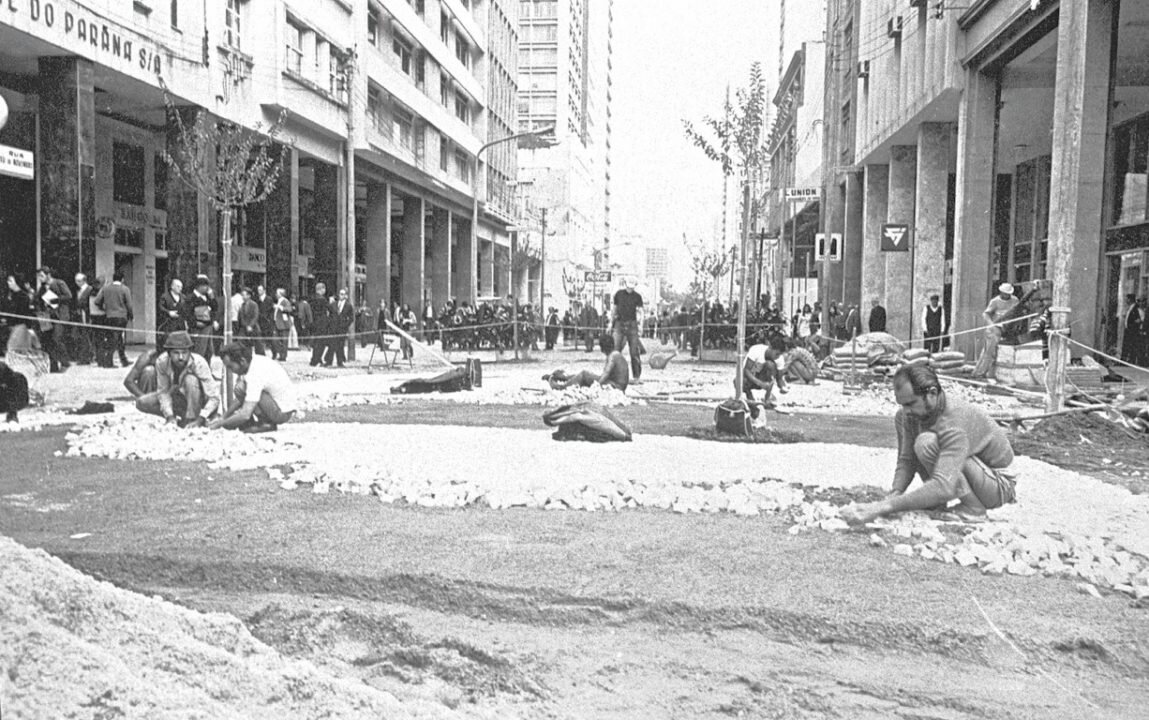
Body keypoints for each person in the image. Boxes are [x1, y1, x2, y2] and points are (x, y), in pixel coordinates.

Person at [841, 364, 1017, 525]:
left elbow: (944, 484)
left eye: (911, 403)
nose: (907, 410)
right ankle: (936, 502)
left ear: (932, 394)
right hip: (970, 470)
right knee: (922, 444)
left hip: (998, 484)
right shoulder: (907, 415)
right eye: (902, 404)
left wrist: (884, 507)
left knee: (926, 443)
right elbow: (907, 459)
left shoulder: (954, 420)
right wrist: (895, 493)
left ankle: (974, 510)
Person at [134, 330, 221, 429]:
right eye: (176, 353)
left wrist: (202, 417)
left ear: (190, 352)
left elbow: (214, 397)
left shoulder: (199, 363)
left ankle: (192, 419)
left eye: (184, 352)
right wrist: (169, 416)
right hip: (179, 399)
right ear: (169, 353)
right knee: (142, 402)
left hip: (200, 402)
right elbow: (163, 392)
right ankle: (179, 419)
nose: (180, 357)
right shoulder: (162, 362)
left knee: (190, 380)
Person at [210, 341, 296, 432]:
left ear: (242, 361)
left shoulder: (255, 374)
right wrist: (224, 417)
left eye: (231, 367)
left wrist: (220, 424)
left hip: (282, 411)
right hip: (278, 405)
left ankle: (266, 423)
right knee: (240, 388)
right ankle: (258, 422)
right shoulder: (253, 361)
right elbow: (240, 399)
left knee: (242, 388)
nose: (231, 371)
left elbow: (245, 414)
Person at [546, 333, 629, 391]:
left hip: (615, 387)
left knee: (584, 374)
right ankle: (564, 377)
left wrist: (596, 386)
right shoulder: (616, 354)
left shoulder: (612, 356)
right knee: (583, 376)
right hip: (617, 385)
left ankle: (562, 387)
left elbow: (606, 374)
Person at [971, 282, 1019, 380]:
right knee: (989, 352)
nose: (1006, 295)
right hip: (994, 329)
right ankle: (979, 373)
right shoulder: (995, 301)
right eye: (1005, 293)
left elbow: (1018, 313)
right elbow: (986, 314)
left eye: (1008, 294)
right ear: (1001, 292)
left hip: (1008, 329)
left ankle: (993, 374)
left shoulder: (1015, 301)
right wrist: (991, 324)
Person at [35, 266, 72, 373]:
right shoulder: (42, 288)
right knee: (48, 341)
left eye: (42, 276)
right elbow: (38, 300)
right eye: (39, 277)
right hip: (47, 317)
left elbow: (68, 296)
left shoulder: (59, 283)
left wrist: (53, 300)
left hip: (59, 316)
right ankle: (53, 365)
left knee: (57, 339)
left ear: (48, 275)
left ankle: (65, 362)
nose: (40, 279)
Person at [94, 269, 133, 368]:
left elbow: (97, 301)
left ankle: (123, 359)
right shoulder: (125, 289)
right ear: (122, 279)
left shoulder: (106, 288)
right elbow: (129, 304)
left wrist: (104, 308)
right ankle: (109, 361)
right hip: (121, 317)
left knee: (115, 338)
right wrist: (131, 315)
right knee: (117, 338)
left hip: (109, 316)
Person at [738, 343, 787, 418]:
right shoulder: (756, 350)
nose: (777, 357)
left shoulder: (779, 359)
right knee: (738, 381)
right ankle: (750, 399)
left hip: (764, 380)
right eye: (776, 354)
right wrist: (760, 383)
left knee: (770, 365)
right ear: (770, 347)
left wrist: (783, 388)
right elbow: (746, 370)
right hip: (751, 377)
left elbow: (779, 379)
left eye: (779, 355)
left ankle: (767, 399)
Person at [611, 278, 644, 382]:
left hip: (632, 324)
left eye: (632, 287)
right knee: (616, 350)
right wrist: (610, 323)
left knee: (634, 351)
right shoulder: (618, 294)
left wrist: (641, 325)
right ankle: (614, 375)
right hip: (619, 323)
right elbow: (614, 309)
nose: (630, 289)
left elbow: (640, 312)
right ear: (625, 284)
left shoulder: (637, 297)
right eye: (628, 287)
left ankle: (636, 376)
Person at [184, 275, 219, 362]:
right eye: (205, 286)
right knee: (199, 350)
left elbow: (215, 308)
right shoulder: (190, 298)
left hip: (208, 327)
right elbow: (187, 313)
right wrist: (194, 323)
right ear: (199, 286)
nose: (207, 288)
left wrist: (212, 298)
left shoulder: (207, 297)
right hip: (197, 328)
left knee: (208, 351)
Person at [325, 287, 354, 367]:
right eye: (341, 294)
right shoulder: (333, 304)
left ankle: (340, 362)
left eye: (343, 294)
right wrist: (330, 323)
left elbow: (351, 318)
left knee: (340, 345)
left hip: (342, 328)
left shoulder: (348, 306)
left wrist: (345, 325)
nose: (342, 296)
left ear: (345, 296)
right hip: (333, 328)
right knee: (331, 344)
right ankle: (329, 361)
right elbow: (329, 314)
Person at [308, 281, 334, 367]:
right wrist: (331, 302)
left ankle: (314, 359)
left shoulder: (312, 298)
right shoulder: (322, 299)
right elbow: (330, 309)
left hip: (315, 322)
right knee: (321, 343)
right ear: (322, 289)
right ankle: (316, 359)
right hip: (322, 323)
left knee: (316, 342)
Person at [157, 277, 186, 349]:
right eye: (178, 286)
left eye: (181, 287)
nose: (180, 288)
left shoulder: (183, 297)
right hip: (168, 323)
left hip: (180, 324)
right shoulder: (165, 297)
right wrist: (168, 312)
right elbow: (160, 307)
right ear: (172, 286)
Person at [236, 287, 264, 355]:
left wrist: (250, 325)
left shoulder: (254, 304)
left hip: (254, 328)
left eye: (244, 295)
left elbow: (255, 316)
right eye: (242, 295)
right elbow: (241, 317)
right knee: (242, 343)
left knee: (259, 347)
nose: (242, 296)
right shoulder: (242, 305)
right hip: (244, 328)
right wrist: (244, 326)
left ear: (249, 296)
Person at [272, 288, 293, 360]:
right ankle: (280, 354)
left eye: (277, 293)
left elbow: (289, 309)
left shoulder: (285, 301)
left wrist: (280, 307)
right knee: (276, 340)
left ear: (280, 294)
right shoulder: (279, 301)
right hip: (278, 323)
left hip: (284, 324)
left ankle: (283, 356)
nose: (276, 294)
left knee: (284, 341)